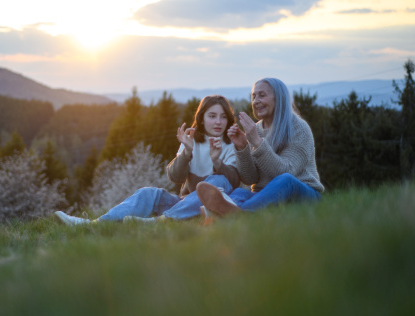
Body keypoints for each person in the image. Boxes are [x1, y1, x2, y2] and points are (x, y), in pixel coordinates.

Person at [54, 95, 240, 225]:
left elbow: (232, 182)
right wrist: (186, 153)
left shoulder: (231, 142)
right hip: (185, 204)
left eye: (223, 117)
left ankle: (161, 222)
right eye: (212, 116)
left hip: (209, 207)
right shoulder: (190, 140)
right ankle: (94, 224)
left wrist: (218, 163)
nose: (218, 122)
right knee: (149, 193)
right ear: (201, 118)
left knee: (218, 182)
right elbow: (174, 177)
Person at [196, 78, 324, 216]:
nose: (256, 101)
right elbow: (250, 179)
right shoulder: (255, 129)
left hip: (303, 193)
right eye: (253, 96)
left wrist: (257, 142)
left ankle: (240, 213)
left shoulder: (298, 128)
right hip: (265, 194)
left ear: (279, 98)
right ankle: (220, 212)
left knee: (286, 180)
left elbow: (287, 172)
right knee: (239, 192)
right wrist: (242, 148)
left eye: (262, 95)